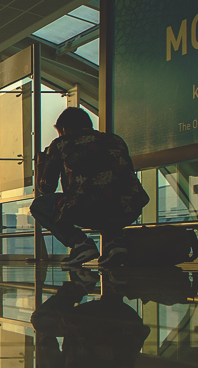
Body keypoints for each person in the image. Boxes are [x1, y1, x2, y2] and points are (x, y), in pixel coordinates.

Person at [30, 108, 149, 267]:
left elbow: (46, 188)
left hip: (87, 207)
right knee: (107, 194)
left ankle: (80, 243)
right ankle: (113, 242)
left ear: (64, 129)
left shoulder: (61, 143)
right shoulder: (115, 140)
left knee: (39, 206)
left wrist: (41, 162)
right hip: (129, 207)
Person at [30, 274, 150, 368]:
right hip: (89, 321)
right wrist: (44, 366)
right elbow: (47, 343)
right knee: (40, 320)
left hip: (127, 322)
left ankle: (115, 289)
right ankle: (79, 287)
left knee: (106, 331)